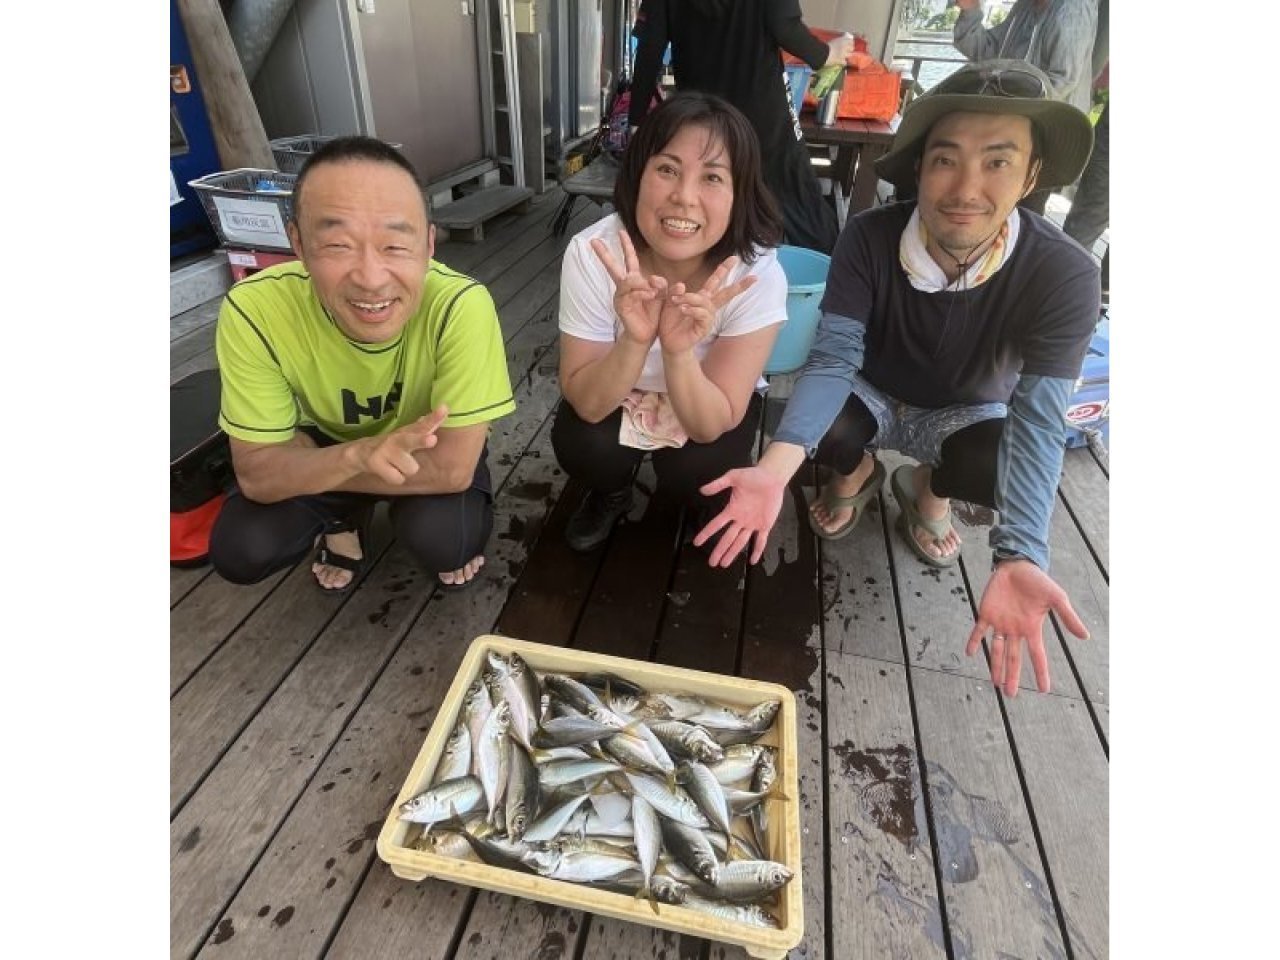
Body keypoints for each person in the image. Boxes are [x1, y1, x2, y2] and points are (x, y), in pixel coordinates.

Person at [693, 61, 1099, 698]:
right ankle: (856, 475)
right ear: (918, 166)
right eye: (946, 159)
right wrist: (774, 469)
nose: (966, 187)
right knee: (818, 426)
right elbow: (831, 360)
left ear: (1033, 174)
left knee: (999, 460)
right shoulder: (868, 236)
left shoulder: (1065, 272)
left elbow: (1042, 420)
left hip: (970, 407)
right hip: (871, 388)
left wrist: (1021, 552)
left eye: (997, 161)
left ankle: (927, 492)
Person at [208, 136, 515, 594]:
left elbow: (452, 468)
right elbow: (256, 472)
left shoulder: (460, 305)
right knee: (244, 546)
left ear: (429, 244)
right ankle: (343, 517)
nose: (371, 279)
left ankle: (343, 506)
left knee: (447, 541)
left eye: (395, 246)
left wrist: (314, 466)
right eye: (337, 245)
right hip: (330, 441)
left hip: (419, 442)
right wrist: (355, 456)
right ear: (298, 243)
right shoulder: (255, 309)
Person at [553, 91, 789, 552]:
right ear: (638, 175)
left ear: (740, 193)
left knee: (701, 464)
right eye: (667, 169)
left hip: (705, 397)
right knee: (583, 443)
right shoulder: (594, 252)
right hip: (618, 389)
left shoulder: (755, 274)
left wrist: (678, 351)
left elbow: (710, 422)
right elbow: (586, 401)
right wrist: (635, 341)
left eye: (713, 177)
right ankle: (612, 491)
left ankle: (693, 499)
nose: (684, 197)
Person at [628, 0, 853, 254]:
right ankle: (821, 278)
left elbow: (650, 46)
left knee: (708, 198)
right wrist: (825, 54)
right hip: (762, 112)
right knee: (794, 196)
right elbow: (784, 26)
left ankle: (718, 276)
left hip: (701, 115)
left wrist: (636, 122)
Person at [952, 0, 1097, 215]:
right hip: (1010, 125)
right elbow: (988, 51)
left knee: (1023, 209)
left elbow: (1061, 80)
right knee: (993, 200)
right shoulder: (1025, 6)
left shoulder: (1073, 8)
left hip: (1046, 131)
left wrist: (1006, 99)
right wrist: (970, 9)